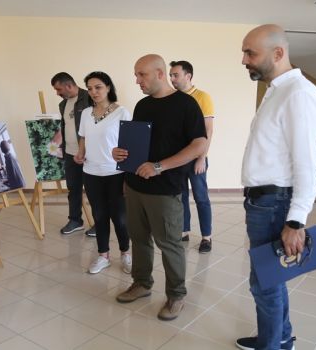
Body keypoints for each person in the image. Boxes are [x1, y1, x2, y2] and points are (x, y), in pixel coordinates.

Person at [236, 24, 316, 350]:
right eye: (244, 52)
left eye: (250, 53)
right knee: (271, 278)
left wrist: (295, 221)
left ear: (278, 53)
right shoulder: (278, 90)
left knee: (264, 284)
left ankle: (273, 345)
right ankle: (281, 335)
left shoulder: (298, 94)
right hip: (264, 201)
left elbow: (308, 166)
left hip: (276, 203)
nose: (244, 60)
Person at [112, 54, 206, 321]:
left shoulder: (186, 105)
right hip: (134, 185)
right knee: (139, 238)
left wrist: (159, 166)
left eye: (142, 74)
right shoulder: (142, 106)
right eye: (136, 74)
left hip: (166, 188)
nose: (137, 80)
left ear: (159, 74)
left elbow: (199, 144)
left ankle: (176, 295)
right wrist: (121, 153)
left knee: (170, 244)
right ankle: (142, 283)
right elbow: (140, 143)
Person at [74, 71, 132, 274]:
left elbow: (129, 145)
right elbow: (83, 137)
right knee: (99, 216)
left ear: (108, 87)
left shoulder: (122, 112)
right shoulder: (85, 113)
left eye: (98, 87)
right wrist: (80, 153)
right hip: (91, 172)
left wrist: (128, 175)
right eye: (89, 88)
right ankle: (103, 256)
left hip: (115, 173)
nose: (93, 92)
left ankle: (126, 254)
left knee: (120, 217)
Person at [169, 60, 215, 253]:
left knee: (201, 197)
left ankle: (207, 237)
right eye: (170, 75)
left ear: (188, 76)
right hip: (179, 159)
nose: (172, 79)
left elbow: (208, 130)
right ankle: (184, 231)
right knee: (182, 197)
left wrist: (201, 157)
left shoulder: (202, 97)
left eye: (175, 75)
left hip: (196, 158)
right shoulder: (174, 99)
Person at [51, 73, 97, 237]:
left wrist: (86, 150)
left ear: (69, 85)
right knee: (73, 189)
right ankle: (75, 220)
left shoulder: (89, 98)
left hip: (88, 154)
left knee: (93, 190)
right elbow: (67, 127)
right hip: (70, 154)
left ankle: (100, 224)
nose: (57, 93)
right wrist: (58, 145)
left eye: (58, 89)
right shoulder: (63, 104)